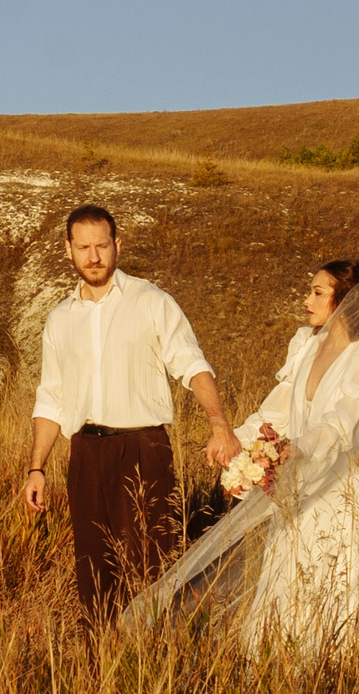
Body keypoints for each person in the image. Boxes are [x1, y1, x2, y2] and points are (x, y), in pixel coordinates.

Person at [125, 260, 359, 655]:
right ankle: (275, 664)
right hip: (300, 485)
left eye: (318, 293)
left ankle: (340, 673)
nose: (306, 299)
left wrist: (300, 447)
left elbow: (345, 424)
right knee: (288, 575)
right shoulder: (307, 345)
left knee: (336, 578)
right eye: (310, 290)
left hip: (345, 494)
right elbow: (275, 414)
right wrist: (233, 442)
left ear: (346, 300)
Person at [23, 204, 242, 623]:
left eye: (101, 246)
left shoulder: (151, 301)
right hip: (84, 454)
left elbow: (191, 364)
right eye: (83, 247)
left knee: (152, 567)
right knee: (94, 572)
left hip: (142, 449)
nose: (93, 257)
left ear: (117, 245)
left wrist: (219, 423)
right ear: (68, 250)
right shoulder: (59, 319)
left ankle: (155, 665)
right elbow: (50, 398)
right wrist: (37, 468)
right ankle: (101, 668)